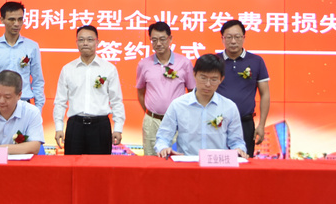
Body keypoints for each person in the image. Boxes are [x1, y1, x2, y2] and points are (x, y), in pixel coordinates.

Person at [154, 54, 247, 159]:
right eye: (203, 78)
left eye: (213, 79)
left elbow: (237, 142)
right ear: (194, 74)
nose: (208, 84)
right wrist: (163, 148)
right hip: (187, 162)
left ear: (221, 79)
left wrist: (239, 150)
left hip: (218, 163)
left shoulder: (229, 107)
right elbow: (163, 138)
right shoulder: (178, 105)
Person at [53, 25, 125, 155]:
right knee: (73, 165)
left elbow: (116, 101)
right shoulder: (67, 69)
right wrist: (59, 128)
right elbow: (60, 101)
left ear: (97, 42)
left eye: (90, 39)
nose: (85, 43)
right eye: (81, 40)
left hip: (100, 126)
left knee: (100, 166)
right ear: (77, 42)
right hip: (75, 126)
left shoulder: (109, 69)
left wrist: (118, 128)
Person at [136, 21, 195, 156]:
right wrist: (151, 112)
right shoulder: (144, 64)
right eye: (154, 40)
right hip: (152, 121)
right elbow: (140, 91)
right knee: (151, 160)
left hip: (178, 121)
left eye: (162, 39)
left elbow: (192, 92)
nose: (158, 43)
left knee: (178, 159)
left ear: (170, 39)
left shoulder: (184, 63)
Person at [0, 1, 45, 112]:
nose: (16, 24)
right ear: (2, 19)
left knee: (21, 128)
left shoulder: (32, 47)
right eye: (11, 19)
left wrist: (38, 109)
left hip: (23, 104)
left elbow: (38, 81)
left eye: (20, 19)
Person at [216, 19, 270, 157]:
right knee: (215, 162)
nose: (233, 41)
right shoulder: (214, 61)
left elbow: (265, 94)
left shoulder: (256, 61)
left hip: (245, 123)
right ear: (222, 39)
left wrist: (262, 125)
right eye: (229, 37)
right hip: (217, 123)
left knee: (244, 162)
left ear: (244, 38)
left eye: (237, 37)